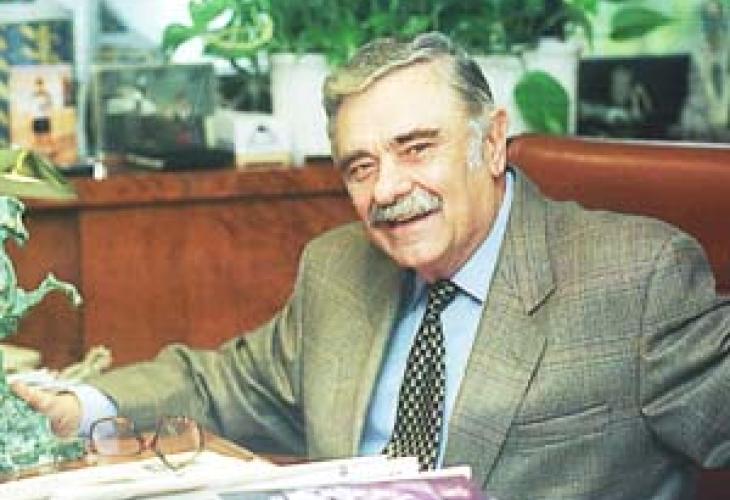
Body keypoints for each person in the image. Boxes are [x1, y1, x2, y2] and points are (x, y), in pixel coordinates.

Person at [13, 32, 730, 498]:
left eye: (416, 148)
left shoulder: (636, 278)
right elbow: (226, 384)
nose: (386, 189)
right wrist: (82, 406)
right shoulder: (337, 268)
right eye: (361, 166)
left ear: (491, 144)